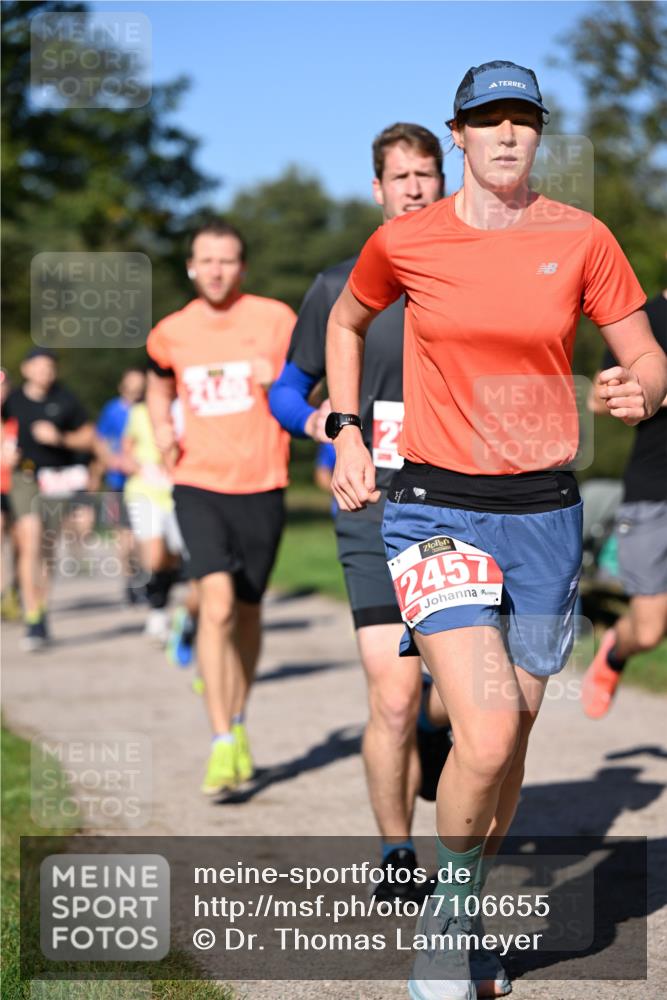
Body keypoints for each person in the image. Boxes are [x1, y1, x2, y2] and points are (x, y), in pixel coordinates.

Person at [325, 60, 667, 1000]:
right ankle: (446, 922)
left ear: (538, 134)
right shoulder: (409, 239)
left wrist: (640, 386)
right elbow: (347, 324)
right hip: (433, 508)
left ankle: (464, 895)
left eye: (522, 119)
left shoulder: (582, 237)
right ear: (460, 134)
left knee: (509, 736)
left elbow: (644, 351)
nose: (506, 134)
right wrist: (347, 428)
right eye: (488, 120)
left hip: (544, 515)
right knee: (480, 733)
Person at [269, 123, 451, 901]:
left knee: (448, 693)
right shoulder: (338, 285)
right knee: (392, 690)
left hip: (461, 508)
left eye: (425, 174)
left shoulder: (471, 278)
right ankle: (396, 858)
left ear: (443, 180)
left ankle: (437, 736)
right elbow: (286, 387)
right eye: (398, 176)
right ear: (376, 189)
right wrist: (327, 425)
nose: (412, 187)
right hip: (370, 506)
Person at [146, 219, 296, 795]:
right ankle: (219, 740)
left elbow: (308, 386)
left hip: (262, 482)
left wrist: (276, 379)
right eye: (206, 260)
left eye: (227, 260)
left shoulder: (275, 319)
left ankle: (237, 720)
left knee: (249, 613)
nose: (216, 270)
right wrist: (161, 427)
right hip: (197, 482)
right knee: (216, 605)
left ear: (242, 267)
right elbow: (159, 381)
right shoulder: (172, 332)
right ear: (190, 266)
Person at [582, 288, 667, 718]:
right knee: (649, 631)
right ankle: (615, 649)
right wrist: (649, 391)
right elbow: (598, 400)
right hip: (654, 493)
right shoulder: (643, 319)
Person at [2, 347, 95, 650]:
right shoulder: (12, 401)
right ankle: (32, 617)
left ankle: (40, 609)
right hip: (24, 478)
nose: (45, 372)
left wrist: (61, 438)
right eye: (39, 366)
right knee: (31, 539)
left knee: (46, 548)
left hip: (57, 479)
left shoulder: (65, 400)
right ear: (27, 369)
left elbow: (89, 437)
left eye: (50, 366)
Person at [122, 399, 183, 643]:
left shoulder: (186, 406)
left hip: (179, 491)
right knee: (155, 555)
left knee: (174, 556)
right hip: (144, 492)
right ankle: (157, 612)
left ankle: (163, 601)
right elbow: (126, 449)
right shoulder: (138, 412)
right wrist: (136, 466)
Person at [96, 368, 147, 604]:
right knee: (124, 536)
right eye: (131, 387)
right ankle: (130, 578)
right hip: (118, 482)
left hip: (144, 481)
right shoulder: (112, 410)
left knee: (142, 536)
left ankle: (143, 576)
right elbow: (101, 441)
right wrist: (110, 461)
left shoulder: (147, 409)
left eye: (140, 387)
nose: (135, 392)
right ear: (122, 387)